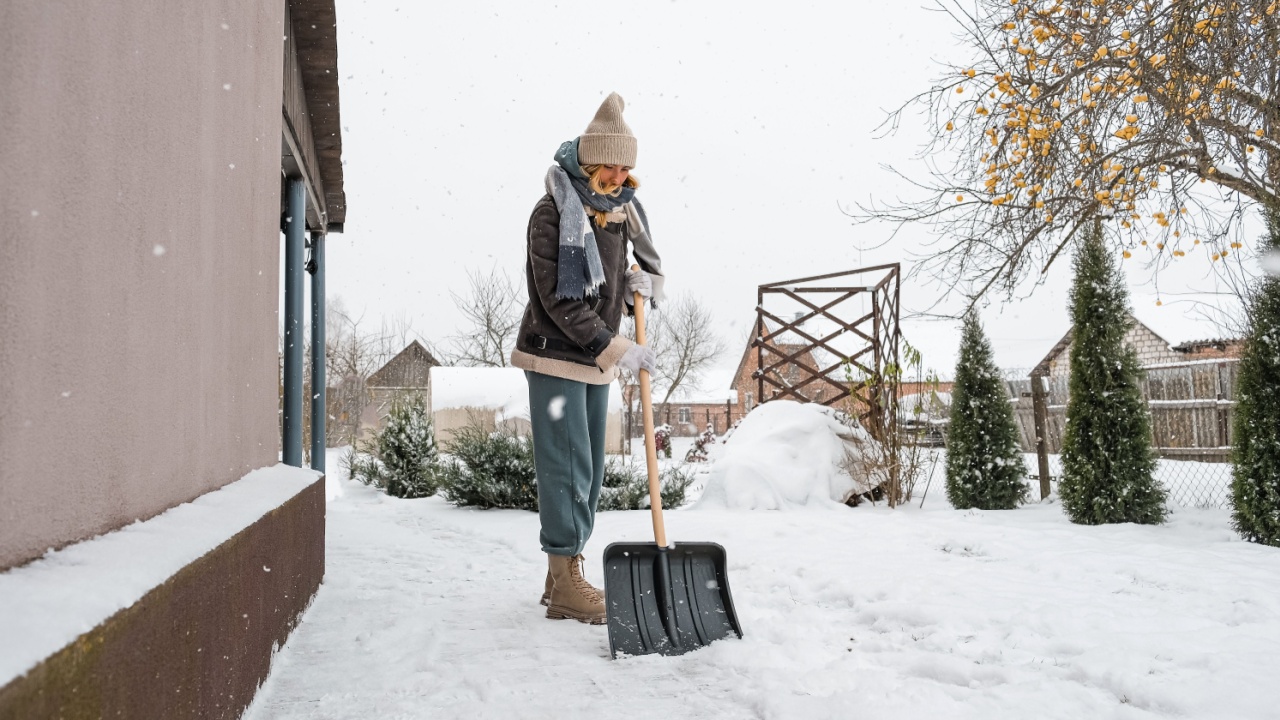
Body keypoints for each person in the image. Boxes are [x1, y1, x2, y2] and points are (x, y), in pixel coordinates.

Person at [510, 92, 664, 625]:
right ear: (588, 161)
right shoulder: (553, 212)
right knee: (565, 467)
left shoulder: (619, 213)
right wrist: (617, 348)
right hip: (555, 356)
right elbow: (558, 298)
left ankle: (564, 575)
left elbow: (612, 283)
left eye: (627, 166)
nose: (619, 175)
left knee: (591, 469)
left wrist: (636, 286)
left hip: (595, 360)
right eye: (610, 164)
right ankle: (563, 578)